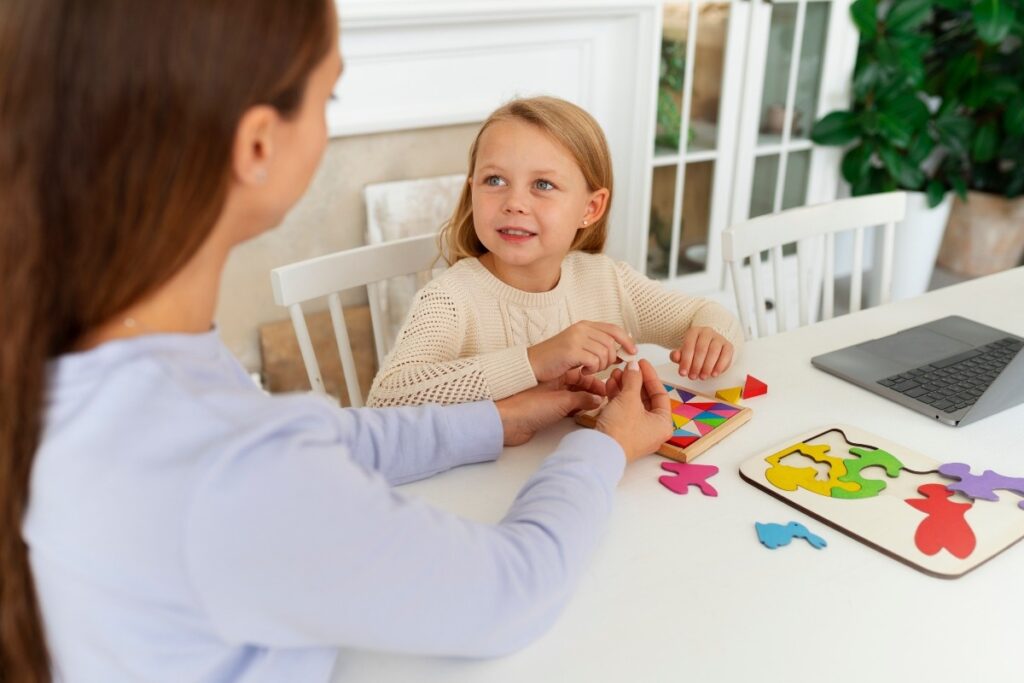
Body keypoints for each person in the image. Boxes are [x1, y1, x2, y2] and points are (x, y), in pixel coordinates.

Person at [0, 1, 674, 681]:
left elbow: (322, 438)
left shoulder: (112, 354)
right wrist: (604, 446)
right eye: (330, 95)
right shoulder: (227, 465)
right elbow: (510, 591)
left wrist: (498, 417)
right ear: (259, 144)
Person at [366, 96, 744, 408]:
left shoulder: (608, 280)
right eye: (494, 180)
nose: (514, 202)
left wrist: (712, 334)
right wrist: (535, 360)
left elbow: (705, 313)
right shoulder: (450, 298)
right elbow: (386, 397)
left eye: (543, 184)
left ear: (590, 209)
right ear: (472, 191)